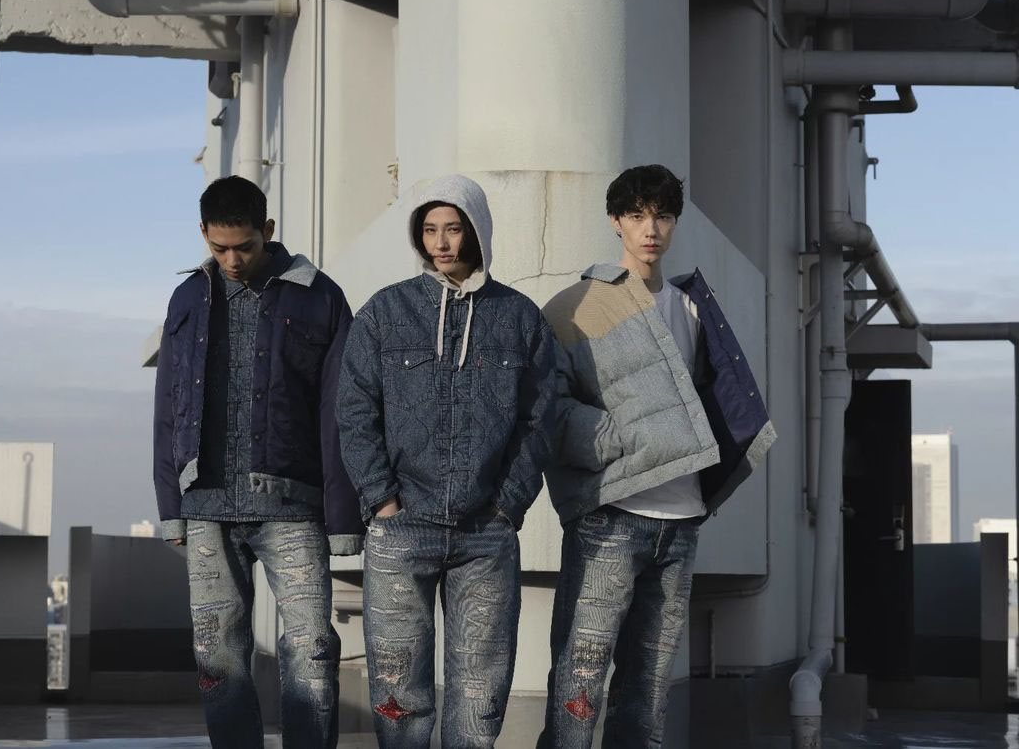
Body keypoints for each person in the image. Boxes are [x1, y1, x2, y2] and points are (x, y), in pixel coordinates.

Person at [537, 164, 777, 747]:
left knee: (647, 691)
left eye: (663, 216)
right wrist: (620, 436)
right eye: (637, 215)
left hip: (682, 520)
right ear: (615, 221)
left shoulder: (694, 307)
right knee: (580, 680)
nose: (651, 230)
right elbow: (547, 409)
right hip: (611, 516)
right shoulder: (576, 307)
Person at [335, 174, 556, 749]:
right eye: (430, 229)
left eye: (453, 228)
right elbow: (354, 410)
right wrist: (381, 500)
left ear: (477, 231)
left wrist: (507, 506)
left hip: (486, 534)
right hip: (400, 528)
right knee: (398, 696)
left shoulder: (520, 317)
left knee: (480, 697)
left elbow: (540, 418)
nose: (441, 242)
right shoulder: (385, 312)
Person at [152, 175, 363, 749]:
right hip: (205, 507)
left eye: (243, 246)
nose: (232, 260)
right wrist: (170, 506)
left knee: (311, 649)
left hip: (294, 505)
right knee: (216, 654)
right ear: (203, 233)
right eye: (218, 247)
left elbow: (339, 411)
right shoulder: (186, 298)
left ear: (267, 230)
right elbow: (168, 404)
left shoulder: (320, 296)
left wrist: (344, 515)